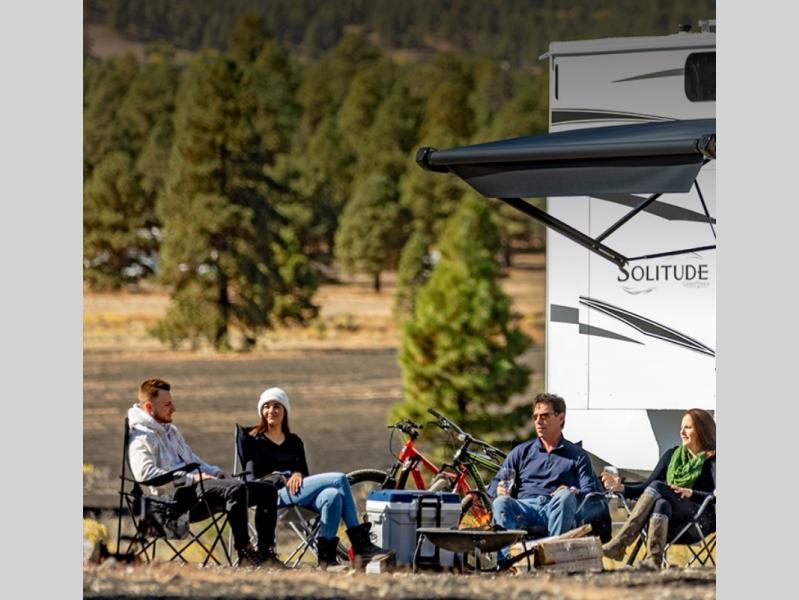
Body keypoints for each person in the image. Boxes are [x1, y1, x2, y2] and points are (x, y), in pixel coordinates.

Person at [127, 378, 282, 568]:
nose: (173, 409)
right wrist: (191, 479)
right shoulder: (140, 436)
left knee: (267, 490)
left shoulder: (170, 431)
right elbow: (145, 475)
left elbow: (193, 460)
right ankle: (245, 552)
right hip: (169, 503)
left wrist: (216, 473)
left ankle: (266, 554)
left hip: (193, 492)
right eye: (167, 405)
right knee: (235, 489)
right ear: (149, 407)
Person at [240, 386, 391, 568]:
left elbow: (303, 475)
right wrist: (286, 476)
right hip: (271, 495)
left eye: (277, 406)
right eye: (267, 406)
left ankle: (327, 559)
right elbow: (253, 479)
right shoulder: (253, 440)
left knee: (332, 496)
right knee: (339, 479)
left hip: (297, 494)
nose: (271, 410)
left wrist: (297, 474)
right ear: (261, 411)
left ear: (285, 411)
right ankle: (361, 545)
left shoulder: (294, 441)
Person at [601, 408, 716, 568]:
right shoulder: (672, 455)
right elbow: (646, 487)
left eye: (688, 427)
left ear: (702, 430)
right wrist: (621, 488)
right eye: (681, 427)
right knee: (661, 503)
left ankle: (620, 543)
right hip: (668, 525)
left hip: (697, 523)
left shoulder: (714, 459)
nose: (682, 432)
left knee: (658, 487)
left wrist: (692, 493)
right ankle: (653, 561)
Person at [488, 393, 598, 549]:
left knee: (566, 496)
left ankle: (553, 554)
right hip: (524, 507)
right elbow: (494, 484)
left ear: (561, 417)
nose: (538, 421)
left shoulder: (577, 455)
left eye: (544, 416)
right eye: (535, 417)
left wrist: (573, 491)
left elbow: (589, 491)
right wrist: (498, 490)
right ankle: (507, 560)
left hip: (555, 506)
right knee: (501, 502)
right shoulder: (521, 452)